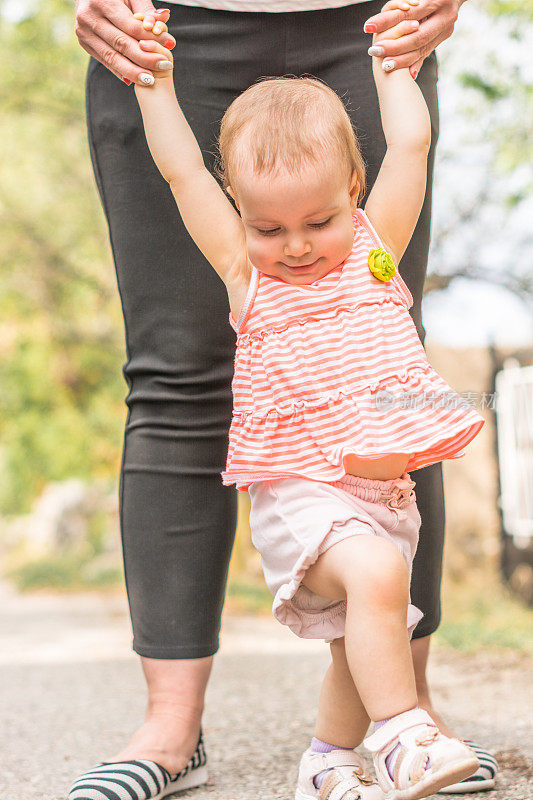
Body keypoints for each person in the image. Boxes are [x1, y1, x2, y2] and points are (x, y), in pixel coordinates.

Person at [70, 0, 499, 797]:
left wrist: (391, 66)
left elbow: (410, 141)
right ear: (242, 215)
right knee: (372, 577)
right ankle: (402, 736)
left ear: (353, 190)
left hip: (384, 492)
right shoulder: (247, 278)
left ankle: (328, 764)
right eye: (268, 228)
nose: (295, 245)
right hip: (301, 492)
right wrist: (157, 83)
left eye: (317, 221)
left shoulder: (376, 253)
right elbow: (180, 171)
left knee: (360, 634)